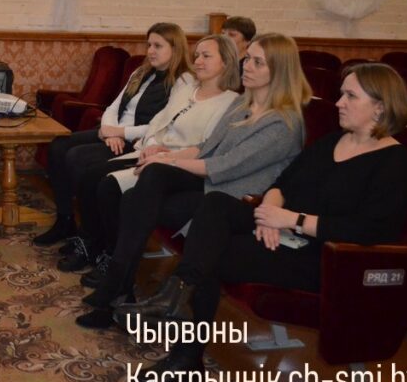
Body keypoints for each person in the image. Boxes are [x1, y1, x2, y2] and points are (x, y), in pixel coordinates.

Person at [118, 63, 407, 379]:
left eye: (351, 96)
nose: (339, 102)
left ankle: (185, 341)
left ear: (380, 107)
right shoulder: (332, 141)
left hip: (323, 257)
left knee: (212, 251)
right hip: (282, 230)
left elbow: (371, 230)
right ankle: (178, 298)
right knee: (216, 203)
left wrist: (292, 220)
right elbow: (282, 184)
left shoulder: (394, 161)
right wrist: (268, 215)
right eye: (341, 94)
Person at [77, 33, 310, 329]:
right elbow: (206, 148)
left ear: (279, 70)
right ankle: (118, 286)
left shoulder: (283, 122)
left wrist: (171, 161)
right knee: (149, 180)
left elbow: (226, 165)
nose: (247, 66)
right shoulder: (244, 104)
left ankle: (116, 287)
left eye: (257, 62)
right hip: (211, 185)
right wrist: (166, 157)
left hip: (233, 200)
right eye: (248, 58)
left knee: (140, 195)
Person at [69, 34, 241, 282]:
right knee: (91, 177)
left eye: (206, 56)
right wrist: (151, 145)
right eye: (197, 56)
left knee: (108, 187)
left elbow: (206, 147)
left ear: (226, 61)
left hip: (179, 165)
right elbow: (158, 122)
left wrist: (165, 155)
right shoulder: (188, 90)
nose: (198, 61)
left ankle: (113, 256)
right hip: (151, 151)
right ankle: (94, 245)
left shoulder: (230, 103)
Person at [35, 23, 192, 250]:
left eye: (158, 46)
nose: (150, 51)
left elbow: (162, 126)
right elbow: (113, 106)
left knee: (77, 157)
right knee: (58, 145)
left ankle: (90, 235)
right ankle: (65, 220)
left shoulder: (183, 81)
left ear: (175, 48)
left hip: (138, 141)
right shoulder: (141, 72)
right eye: (149, 45)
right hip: (114, 133)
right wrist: (110, 130)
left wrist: (120, 133)